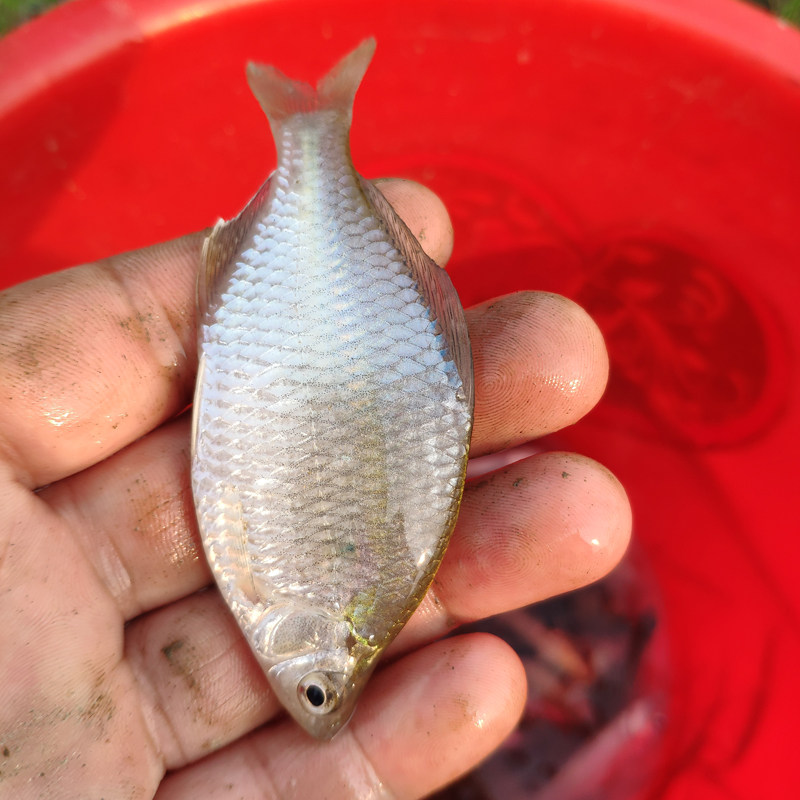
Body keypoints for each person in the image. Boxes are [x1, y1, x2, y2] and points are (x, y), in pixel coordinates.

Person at [0, 179, 631, 799]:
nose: (305, 692)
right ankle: (315, 153)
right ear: (331, 637)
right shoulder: (349, 598)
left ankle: (312, 159)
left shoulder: (358, 597)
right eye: (314, 689)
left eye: (320, 691)